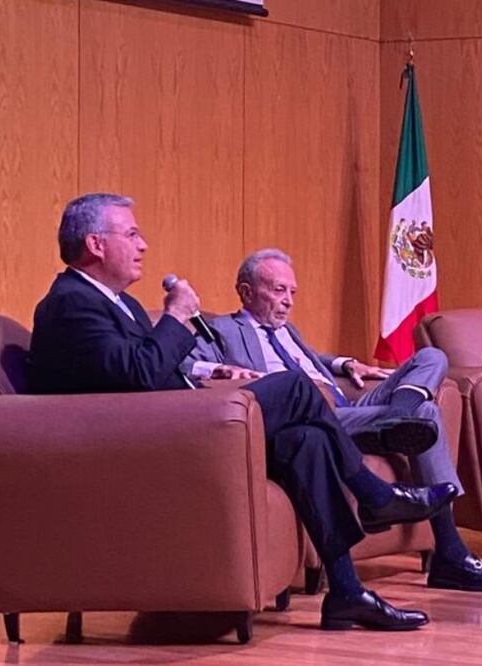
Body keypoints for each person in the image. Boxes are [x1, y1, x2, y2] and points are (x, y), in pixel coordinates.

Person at [27, 193, 458, 630]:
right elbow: (141, 375)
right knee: (293, 387)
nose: (144, 245)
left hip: (176, 419)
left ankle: (346, 591)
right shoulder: (70, 303)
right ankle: (375, 494)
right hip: (147, 442)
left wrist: (207, 374)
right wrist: (176, 318)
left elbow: (154, 371)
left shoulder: (123, 304)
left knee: (306, 440)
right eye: (132, 234)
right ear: (96, 244)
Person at [183, 248, 482, 592]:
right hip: (320, 418)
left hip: (352, 406)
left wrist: (344, 363)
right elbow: (184, 366)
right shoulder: (220, 329)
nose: (289, 301)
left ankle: (399, 417)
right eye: (278, 290)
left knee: (431, 357)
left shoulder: (288, 330)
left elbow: (309, 359)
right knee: (426, 415)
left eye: (293, 292)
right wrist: (217, 368)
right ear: (246, 291)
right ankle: (451, 552)